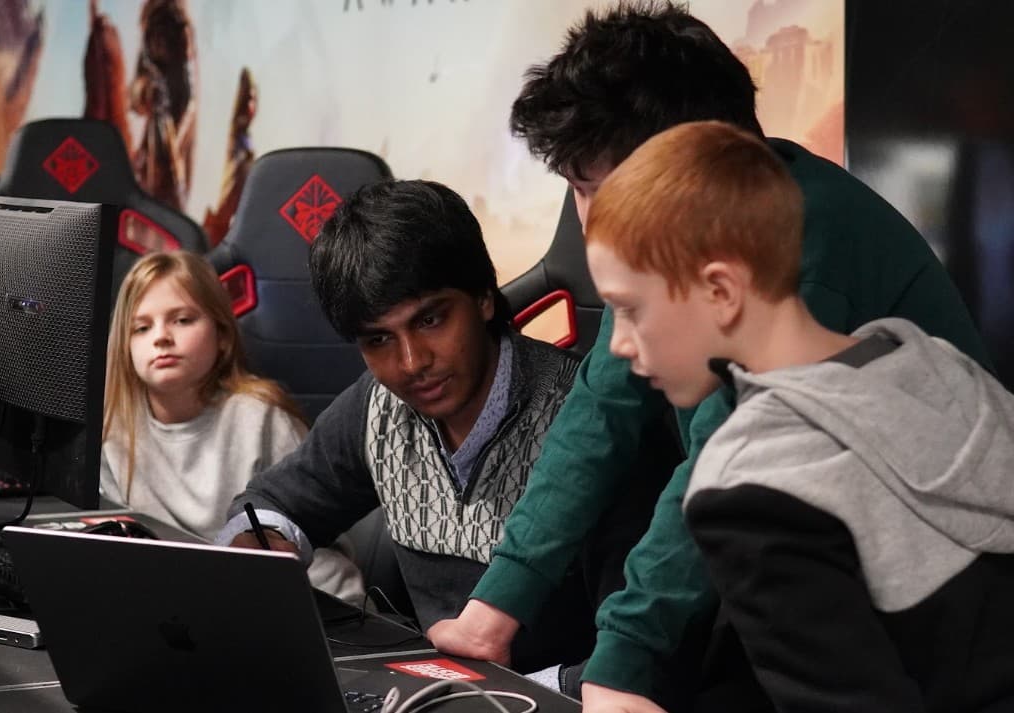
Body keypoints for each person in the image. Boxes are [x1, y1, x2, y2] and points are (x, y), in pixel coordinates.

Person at [428, 2, 994, 710]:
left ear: (685, 170)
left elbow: (722, 469)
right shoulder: (706, 241)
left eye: (590, 187)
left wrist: (621, 666)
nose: (584, 218)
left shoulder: (797, 260)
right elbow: (600, 411)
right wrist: (496, 607)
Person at [584, 119, 1014, 712]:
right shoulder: (925, 360)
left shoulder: (748, 485)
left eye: (629, 310)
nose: (619, 344)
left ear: (721, 291)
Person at [216, 179, 643, 695]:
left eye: (431, 319)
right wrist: (262, 545)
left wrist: (514, 694)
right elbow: (272, 503)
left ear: (484, 297)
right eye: (378, 339)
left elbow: (639, 651)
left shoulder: (589, 419)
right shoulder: (376, 404)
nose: (412, 363)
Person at [100, 250, 365, 605]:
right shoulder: (113, 433)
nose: (161, 337)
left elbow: (315, 544)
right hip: (181, 607)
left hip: (303, 600)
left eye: (182, 320)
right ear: (125, 347)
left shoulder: (261, 418)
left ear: (222, 335)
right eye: (142, 327)